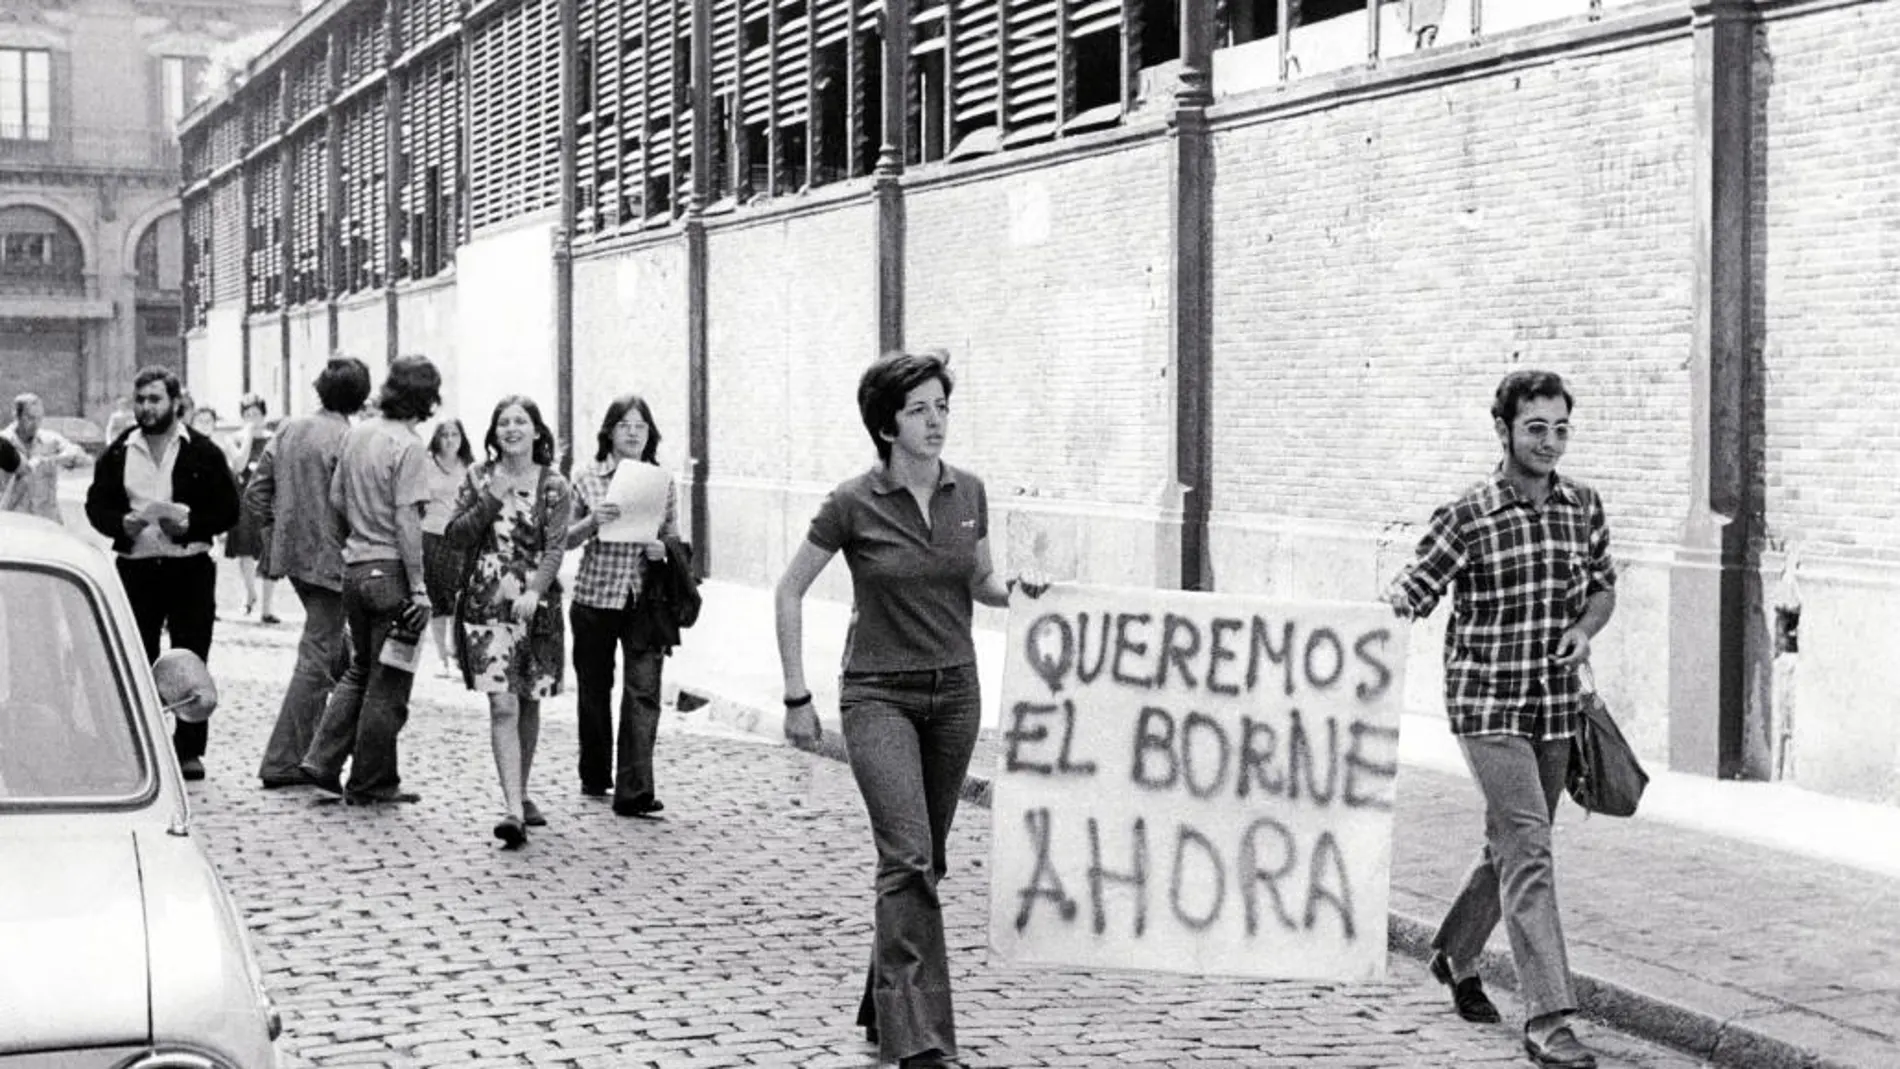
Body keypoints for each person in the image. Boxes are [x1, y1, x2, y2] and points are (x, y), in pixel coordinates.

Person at [775, 350, 1028, 1069]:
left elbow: (979, 581)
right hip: (877, 695)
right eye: (919, 408)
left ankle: (883, 999)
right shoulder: (852, 502)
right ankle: (921, 1038)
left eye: (942, 406)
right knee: (908, 855)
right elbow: (789, 590)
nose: (935, 420)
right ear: (887, 423)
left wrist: (1028, 591)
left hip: (954, 695)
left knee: (926, 860)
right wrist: (798, 695)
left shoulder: (968, 491)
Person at [1383, 369, 1615, 1069]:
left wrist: (1585, 629)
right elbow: (1407, 593)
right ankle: (1549, 1017)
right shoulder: (1468, 514)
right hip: (1487, 704)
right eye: (1535, 427)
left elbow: (1602, 588)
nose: (1549, 442)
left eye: (1560, 428)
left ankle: (1455, 952)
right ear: (1504, 430)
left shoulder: (1583, 505)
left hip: (1552, 705)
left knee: (1512, 845)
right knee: (1531, 847)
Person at [298, 355, 442, 806]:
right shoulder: (410, 446)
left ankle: (322, 761)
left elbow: (337, 498)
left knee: (360, 669)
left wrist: (352, 546)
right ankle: (372, 781)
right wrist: (418, 586)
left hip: (356, 570)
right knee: (390, 681)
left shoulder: (357, 434)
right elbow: (407, 521)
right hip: (392, 574)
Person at [84, 366, 240, 781]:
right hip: (137, 568)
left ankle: (189, 749)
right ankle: (143, 745)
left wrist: (192, 525)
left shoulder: (202, 451)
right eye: (141, 400)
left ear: (175, 403)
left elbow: (229, 508)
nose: (146, 408)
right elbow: (96, 506)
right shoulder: (120, 451)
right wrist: (121, 524)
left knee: (190, 655)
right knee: (137, 655)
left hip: (189, 567)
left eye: (154, 399)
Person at [443, 395, 572, 848]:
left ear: (537, 431)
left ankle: (520, 787)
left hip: (536, 603)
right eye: (504, 423)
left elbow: (556, 546)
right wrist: (490, 499)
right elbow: (455, 535)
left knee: (529, 699)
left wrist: (536, 589)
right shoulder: (479, 476)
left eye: (521, 421)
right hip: (487, 599)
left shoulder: (554, 486)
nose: (512, 429)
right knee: (503, 704)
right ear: (494, 433)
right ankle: (513, 809)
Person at [248, 356, 373, 789]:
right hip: (335, 561)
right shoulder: (349, 439)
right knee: (319, 658)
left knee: (342, 655)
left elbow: (256, 492)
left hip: (295, 559)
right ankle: (284, 760)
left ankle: (337, 746)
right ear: (360, 396)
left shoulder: (288, 428)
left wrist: (278, 534)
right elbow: (354, 506)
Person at [565, 394, 679, 816]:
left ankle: (635, 791)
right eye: (625, 425)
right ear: (609, 432)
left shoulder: (661, 480)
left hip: (644, 600)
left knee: (643, 691)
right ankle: (595, 775)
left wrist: (662, 549)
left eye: (641, 426)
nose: (633, 432)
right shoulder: (585, 477)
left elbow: (676, 538)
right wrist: (593, 521)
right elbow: (562, 540)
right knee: (594, 692)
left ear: (650, 434)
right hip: (595, 595)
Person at [420, 418, 474, 675]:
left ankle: (457, 652)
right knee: (437, 596)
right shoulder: (426, 465)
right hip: (432, 534)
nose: (450, 439)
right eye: (445, 435)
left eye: (455, 434)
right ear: (436, 439)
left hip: (460, 537)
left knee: (459, 595)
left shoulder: (469, 467)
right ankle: (442, 656)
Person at [224, 393, 279, 623]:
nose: (252, 418)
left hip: (268, 502)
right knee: (245, 550)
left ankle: (267, 608)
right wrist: (247, 436)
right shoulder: (233, 439)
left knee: (269, 554)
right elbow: (239, 465)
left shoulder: (273, 439)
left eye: (256, 414)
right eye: (247, 414)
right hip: (244, 501)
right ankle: (250, 594)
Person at [1, 392, 89, 522]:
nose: (35, 424)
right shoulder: (4, 444)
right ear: (16, 415)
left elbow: (83, 458)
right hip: (14, 521)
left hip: (47, 520)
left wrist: (53, 460)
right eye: (30, 418)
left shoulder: (50, 440)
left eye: (39, 418)